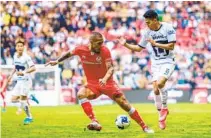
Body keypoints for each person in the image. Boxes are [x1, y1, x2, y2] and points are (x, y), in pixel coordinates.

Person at [46, 32, 154, 133]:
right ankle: (95, 121)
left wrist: (105, 79)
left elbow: (111, 69)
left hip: (108, 83)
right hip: (92, 84)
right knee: (81, 94)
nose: (101, 45)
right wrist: (57, 61)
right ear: (91, 43)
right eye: (98, 43)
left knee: (124, 103)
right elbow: (69, 54)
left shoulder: (105, 50)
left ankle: (144, 127)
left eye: (102, 42)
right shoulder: (81, 49)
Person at [117, 10, 176, 130]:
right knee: (155, 89)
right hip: (155, 64)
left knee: (160, 83)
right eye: (145, 22)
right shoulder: (147, 32)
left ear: (155, 19)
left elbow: (171, 46)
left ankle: (164, 108)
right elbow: (139, 48)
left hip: (168, 62)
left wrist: (156, 44)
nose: (146, 24)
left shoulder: (168, 28)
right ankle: (161, 114)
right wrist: (126, 45)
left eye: (148, 22)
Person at [7, 38, 36, 125]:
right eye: (18, 46)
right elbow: (15, 67)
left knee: (22, 101)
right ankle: (30, 98)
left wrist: (23, 72)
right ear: (16, 47)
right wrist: (11, 75)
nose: (20, 47)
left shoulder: (26, 57)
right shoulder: (15, 56)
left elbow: (33, 68)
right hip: (19, 82)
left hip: (26, 81)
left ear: (23, 47)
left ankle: (29, 117)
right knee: (12, 100)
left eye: (21, 46)